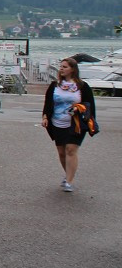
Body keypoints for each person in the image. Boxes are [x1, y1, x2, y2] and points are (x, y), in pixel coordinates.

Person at [41, 57, 96, 193]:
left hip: (76, 124)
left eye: (65, 67)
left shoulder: (82, 86)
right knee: (62, 152)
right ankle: (68, 175)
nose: (61, 69)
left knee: (71, 150)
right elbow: (48, 103)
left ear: (73, 69)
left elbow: (90, 106)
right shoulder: (55, 86)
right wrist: (45, 116)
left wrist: (79, 108)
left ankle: (69, 181)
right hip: (57, 123)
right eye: (61, 66)